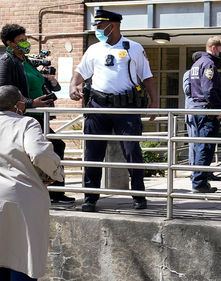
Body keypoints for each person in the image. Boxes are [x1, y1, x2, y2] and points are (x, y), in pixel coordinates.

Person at [0, 85, 65, 280]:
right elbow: (38, 152)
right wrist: (55, 172)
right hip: (22, 200)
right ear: (17, 104)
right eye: (22, 99)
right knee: (23, 258)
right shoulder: (27, 124)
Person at [69, 9, 158, 212]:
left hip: (126, 108)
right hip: (98, 107)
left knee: (132, 151)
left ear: (113, 26)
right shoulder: (94, 49)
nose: (97, 30)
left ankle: (139, 196)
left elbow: (147, 76)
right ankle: (90, 197)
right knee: (93, 154)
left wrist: (154, 102)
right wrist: (73, 85)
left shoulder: (134, 48)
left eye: (100, 26)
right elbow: (81, 72)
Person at [0, 23, 73, 204]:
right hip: (19, 117)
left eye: (25, 38)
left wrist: (51, 82)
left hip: (37, 117)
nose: (25, 43)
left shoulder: (26, 61)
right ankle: (50, 191)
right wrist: (31, 103)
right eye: (20, 40)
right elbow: (2, 93)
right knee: (52, 146)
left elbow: (39, 84)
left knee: (55, 146)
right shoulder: (5, 63)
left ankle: (54, 191)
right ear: (9, 43)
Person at [189, 36, 221, 193]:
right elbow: (209, 89)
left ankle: (198, 180)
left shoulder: (196, 64)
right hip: (207, 111)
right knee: (206, 148)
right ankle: (199, 183)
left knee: (200, 148)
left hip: (198, 109)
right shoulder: (209, 64)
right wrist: (218, 107)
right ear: (214, 48)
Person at [183, 51, 221, 182]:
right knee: (197, 145)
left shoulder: (197, 69)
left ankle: (203, 173)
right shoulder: (192, 72)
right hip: (197, 110)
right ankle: (196, 174)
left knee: (204, 146)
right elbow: (192, 91)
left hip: (198, 110)